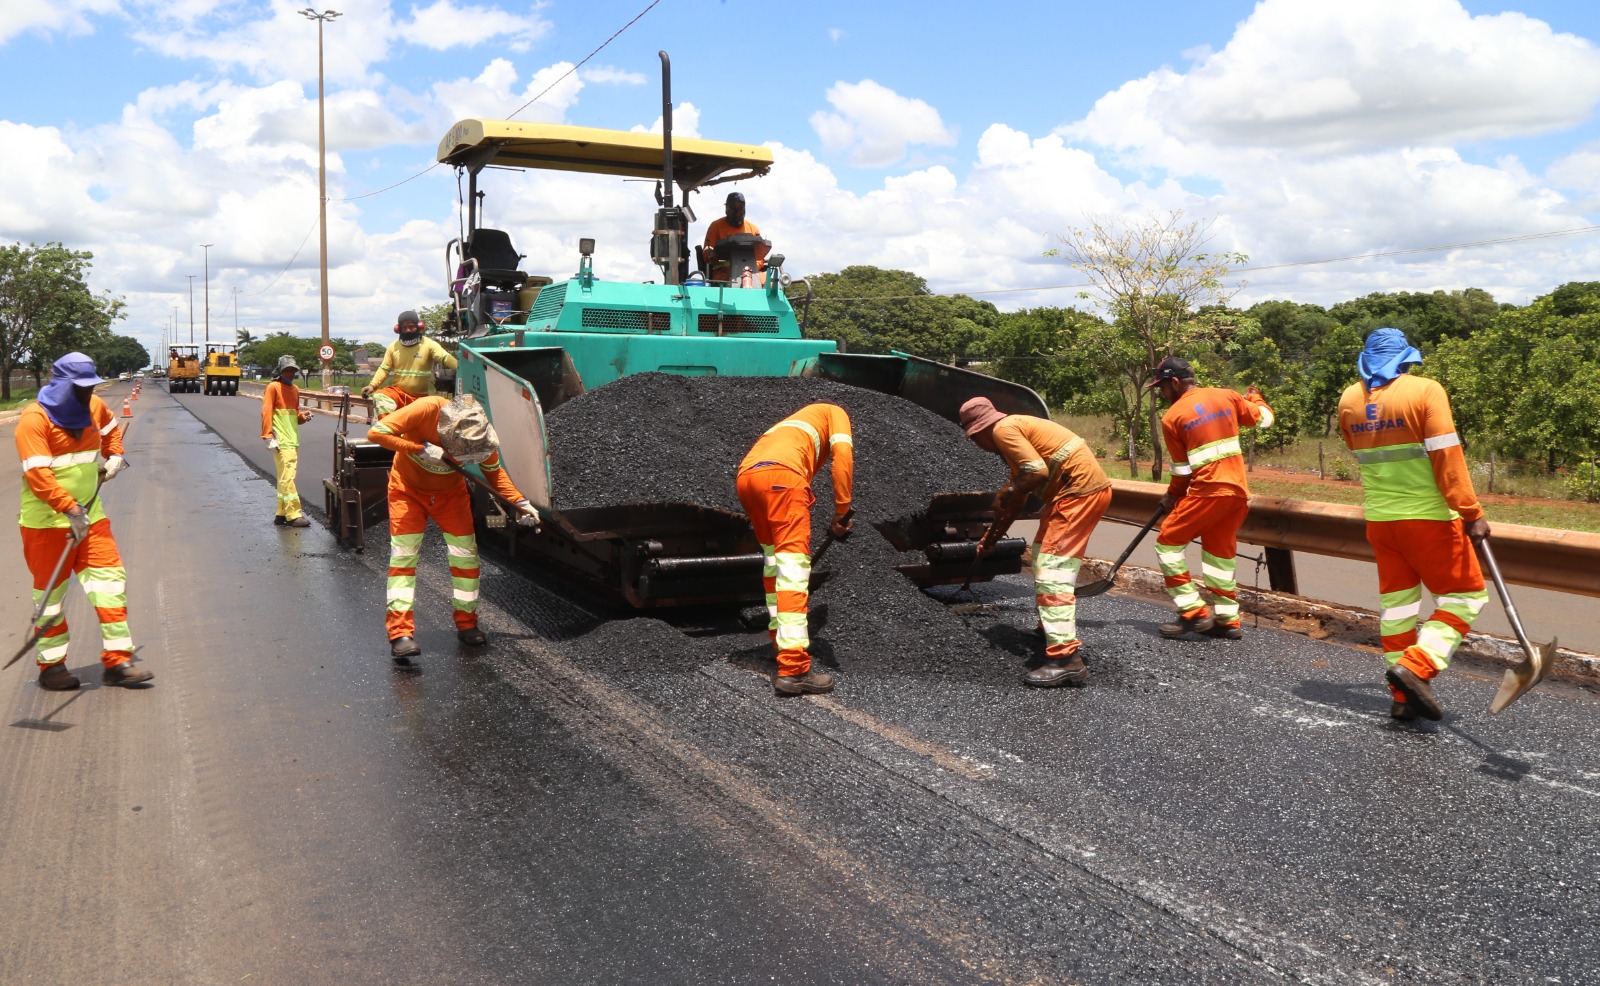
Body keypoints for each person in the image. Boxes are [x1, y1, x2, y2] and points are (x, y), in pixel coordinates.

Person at [1338, 328, 1489, 721]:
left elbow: (1355, 447)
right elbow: (1446, 456)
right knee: (1465, 598)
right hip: (1429, 519)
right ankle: (1418, 667)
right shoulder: (1426, 390)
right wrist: (1471, 511)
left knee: (1398, 608)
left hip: (1381, 521)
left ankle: (1402, 697)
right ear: (1405, 358)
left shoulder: (1349, 398)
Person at [367, 393, 539, 664]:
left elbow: (495, 473)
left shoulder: (478, 435)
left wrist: (520, 502)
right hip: (407, 491)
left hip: (451, 496)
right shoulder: (426, 409)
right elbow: (376, 433)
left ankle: (467, 623)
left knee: (466, 559)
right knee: (403, 558)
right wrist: (417, 449)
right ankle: (400, 634)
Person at [16, 352, 150, 690]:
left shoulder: (94, 407)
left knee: (110, 584)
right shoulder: (34, 419)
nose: (86, 393)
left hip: (91, 518)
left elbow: (111, 430)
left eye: (89, 387)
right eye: (79, 388)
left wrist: (115, 455)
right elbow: (38, 474)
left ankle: (118, 662)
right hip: (46, 524)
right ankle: (52, 667)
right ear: (61, 384)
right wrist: (70, 509)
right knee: (51, 599)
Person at [959, 398, 1113, 687]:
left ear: (980, 430)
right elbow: (1015, 502)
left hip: (1077, 493)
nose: (977, 445)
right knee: (1044, 555)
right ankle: (1048, 630)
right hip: (1071, 495)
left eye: (974, 439)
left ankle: (1066, 659)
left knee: (1052, 571)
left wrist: (1008, 491)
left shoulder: (1003, 429)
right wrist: (990, 539)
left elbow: (1036, 473)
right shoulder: (1016, 435)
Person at [1147, 357, 1275, 640]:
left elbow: (1182, 471)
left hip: (1208, 492)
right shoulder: (1227, 395)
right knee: (1219, 554)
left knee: (1167, 544)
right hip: (1237, 494)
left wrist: (1172, 497)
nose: (1161, 393)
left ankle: (1192, 612)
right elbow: (1266, 420)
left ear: (1175, 382)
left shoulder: (1172, 417)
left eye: (1162, 387)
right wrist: (1255, 397)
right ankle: (1227, 619)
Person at [735, 402, 854, 695]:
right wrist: (842, 510)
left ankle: (780, 643)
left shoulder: (794, 425)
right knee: (792, 573)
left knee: (774, 565)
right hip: (783, 481)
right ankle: (794, 669)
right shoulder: (835, 412)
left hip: (747, 480)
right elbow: (843, 457)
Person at [361, 310, 458, 417]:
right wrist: (372, 385)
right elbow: (384, 369)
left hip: (421, 398)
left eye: (411, 327)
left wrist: (460, 368)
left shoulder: (429, 344)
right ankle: (388, 425)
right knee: (380, 397)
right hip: (399, 394)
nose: (408, 330)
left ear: (419, 326)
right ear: (398, 329)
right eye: (404, 327)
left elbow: (445, 357)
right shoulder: (393, 347)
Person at [261, 354, 314, 527]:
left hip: (292, 439)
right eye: (287, 370)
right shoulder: (273, 387)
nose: (290, 373)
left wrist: (303, 417)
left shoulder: (295, 389)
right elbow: (266, 411)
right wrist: (268, 435)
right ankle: (294, 514)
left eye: (293, 370)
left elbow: (295, 415)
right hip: (281, 441)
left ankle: (281, 513)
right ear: (280, 371)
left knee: (284, 477)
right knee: (288, 477)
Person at [702, 191, 767, 284]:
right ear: (727, 208)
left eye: (740, 207)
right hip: (724, 272)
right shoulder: (715, 226)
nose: (738, 211)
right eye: (734, 207)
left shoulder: (753, 229)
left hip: (751, 271)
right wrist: (710, 254)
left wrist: (750, 268)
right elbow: (708, 251)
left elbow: (760, 255)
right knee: (728, 282)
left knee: (767, 283)